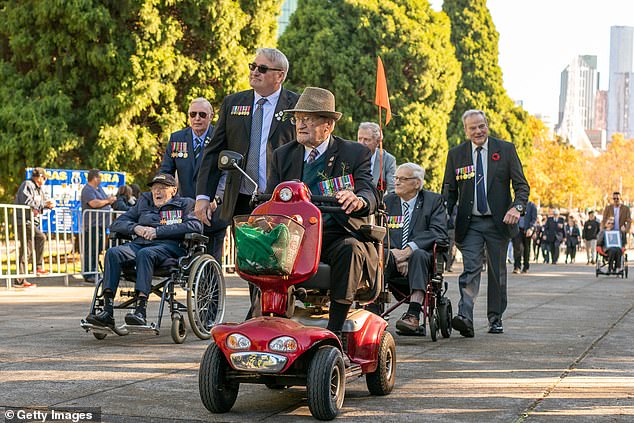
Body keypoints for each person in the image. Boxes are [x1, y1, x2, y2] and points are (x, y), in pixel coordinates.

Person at [267, 86, 378, 341]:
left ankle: (335, 328)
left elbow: (369, 192)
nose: (300, 125)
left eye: (308, 119)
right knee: (262, 248)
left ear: (328, 125)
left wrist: (358, 198)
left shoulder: (354, 153)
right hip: (294, 236)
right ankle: (267, 322)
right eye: (298, 119)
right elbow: (271, 196)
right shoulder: (284, 155)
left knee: (351, 250)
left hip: (336, 233)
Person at [195, 47, 299, 318]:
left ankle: (265, 315)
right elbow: (213, 153)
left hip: (281, 200)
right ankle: (264, 314)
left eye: (262, 68)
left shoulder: (296, 105)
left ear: (280, 75)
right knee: (252, 260)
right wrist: (203, 197)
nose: (254, 71)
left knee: (276, 260)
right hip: (242, 197)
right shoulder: (234, 103)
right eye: (252, 66)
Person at [442, 109, 529, 337]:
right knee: (470, 268)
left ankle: (495, 318)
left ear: (487, 125)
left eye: (481, 126)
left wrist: (517, 207)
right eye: (473, 128)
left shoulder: (506, 150)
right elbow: (449, 192)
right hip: (469, 224)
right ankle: (465, 318)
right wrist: (440, 216)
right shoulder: (456, 155)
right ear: (466, 131)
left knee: (497, 273)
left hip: (498, 223)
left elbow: (522, 186)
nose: (478, 131)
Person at [86, 174, 202, 328]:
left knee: (145, 254)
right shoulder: (144, 203)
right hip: (140, 244)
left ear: (173, 190)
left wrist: (158, 232)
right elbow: (117, 224)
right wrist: (136, 228)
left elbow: (196, 226)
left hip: (168, 247)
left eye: (162, 188)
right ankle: (107, 310)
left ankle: (140, 310)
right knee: (113, 253)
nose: (157, 192)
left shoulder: (185, 204)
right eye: (154, 188)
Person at [383, 163, 448, 334]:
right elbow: (379, 232)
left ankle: (413, 315)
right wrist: (394, 254)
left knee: (418, 255)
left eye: (403, 179)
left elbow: (438, 232)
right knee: (378, 254)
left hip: (422, 261)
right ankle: (374, 312)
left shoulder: (433, 201)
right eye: (396, 178)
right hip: (392, 258)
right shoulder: (387, 202)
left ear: (417, 183)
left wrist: (408, 252)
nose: (396, 182)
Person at [159, 97, 226, 262]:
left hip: (213, 212)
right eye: (193, 114)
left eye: (202, 115)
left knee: (210, 263)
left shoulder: (221, 138)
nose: (197, 118)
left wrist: (216, 198)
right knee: (184, 264)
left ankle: (210, 288)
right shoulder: (177, 139)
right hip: (185, 212)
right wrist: (163, 194)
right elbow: (166, 172)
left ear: (211, 116)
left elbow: (227, 173)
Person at [13, 167, 55, 288]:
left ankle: (20, 280)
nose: (45, 180)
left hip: (32, 222)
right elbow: (27, 202)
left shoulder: (39, 189)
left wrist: (48, 205)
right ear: (39, 177)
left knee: (27, 250)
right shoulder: (28, 185)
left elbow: (39, 204)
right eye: (45, 178)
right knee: (40, 238)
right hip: (24, 221)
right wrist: (44, 204)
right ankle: (38, 267)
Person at [81, 169, 116, 284]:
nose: (101, 180)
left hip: (101, 225)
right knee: (90, 249)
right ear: (95, 178)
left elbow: (105, 201)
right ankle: (89, 273)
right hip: (92, 225)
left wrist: (109, 200)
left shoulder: (99, 189)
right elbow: (94, 203)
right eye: (99, 177)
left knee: (98, 249)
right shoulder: (87, 190)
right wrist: (107, 201)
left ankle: (94, 270)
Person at [357, 122, 396, 194]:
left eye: (366, 140)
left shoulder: (388, 160)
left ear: (377, 142)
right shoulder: (351, 156)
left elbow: (392, 190)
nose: (361, 143)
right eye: (359, 139)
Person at [511, 200, 537, 274]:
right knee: (517, 248)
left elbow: (534, 219)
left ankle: (526, 266)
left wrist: (531, 228)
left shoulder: (532, 205)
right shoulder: (515, 204)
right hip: (517, 230)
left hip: (527, 230)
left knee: (526, 248)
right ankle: (517, 266)